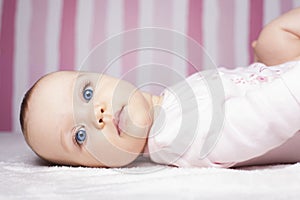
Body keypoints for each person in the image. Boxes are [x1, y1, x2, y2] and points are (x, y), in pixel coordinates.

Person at [19, 8, 300, 168]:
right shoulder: (175, 136)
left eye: (87, 94)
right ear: (92, 167)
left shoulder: (169, 102)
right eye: (80, 136)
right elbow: (261, 117)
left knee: (273, 39)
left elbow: (232, 91)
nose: (97, 114)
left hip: (279, 81)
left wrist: (263, 67)